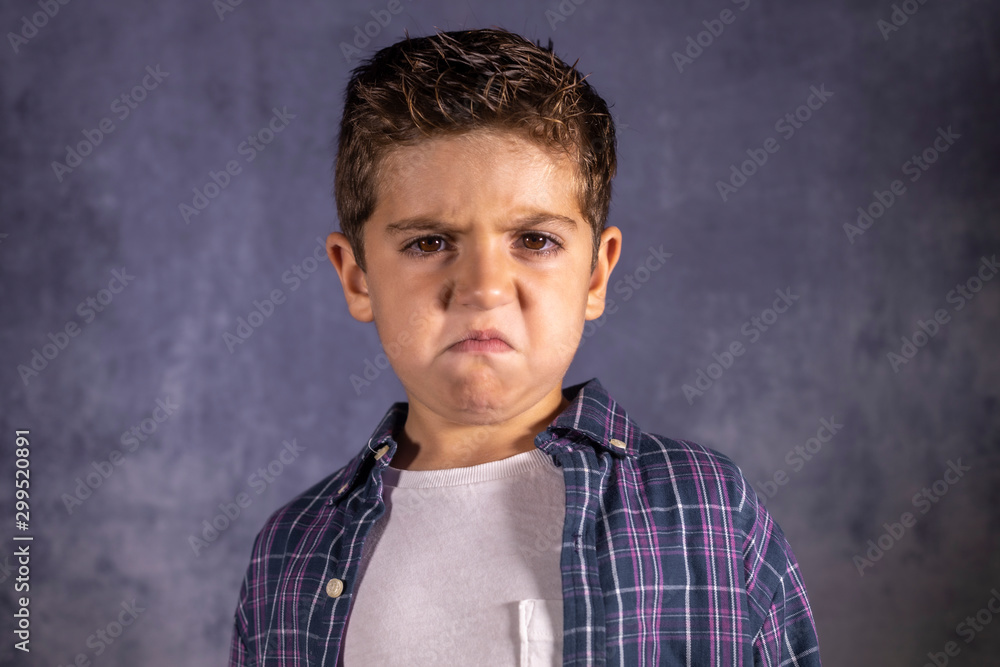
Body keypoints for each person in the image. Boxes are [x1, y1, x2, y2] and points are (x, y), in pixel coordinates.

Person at [228, 27, 821, 666]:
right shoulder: (291, 555)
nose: (484, 290)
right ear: (357, 276)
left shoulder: (706, 516)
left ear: (595, 274)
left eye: (534, 240)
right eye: (429, 243)